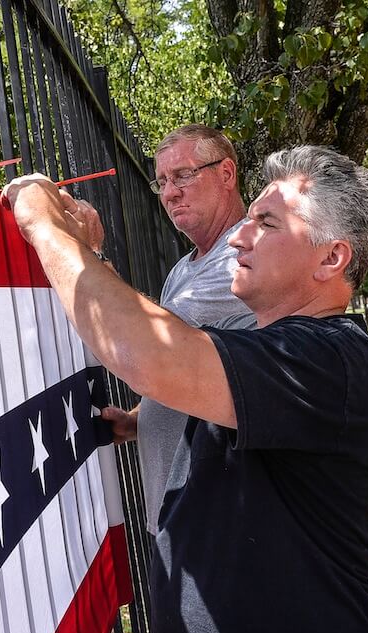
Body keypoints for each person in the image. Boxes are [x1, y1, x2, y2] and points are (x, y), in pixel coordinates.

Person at [2, 146, 368, 633]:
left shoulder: (332, 359)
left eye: (266, 223)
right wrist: (141, 422)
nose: (239, 237)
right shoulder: (268, 351)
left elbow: (153, 356)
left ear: (331, 258)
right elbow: (195, 390)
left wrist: (42, 223)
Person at [102, 125, 253, 536]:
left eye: (184, 175)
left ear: (226, 173)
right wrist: (139, 420)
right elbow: (193, 370)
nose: (170, 193)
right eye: (163, 181)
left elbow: (146, 345)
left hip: (213, 526)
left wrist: (81, 250)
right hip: (178, 518)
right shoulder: (185, 267)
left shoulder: (244, 259)